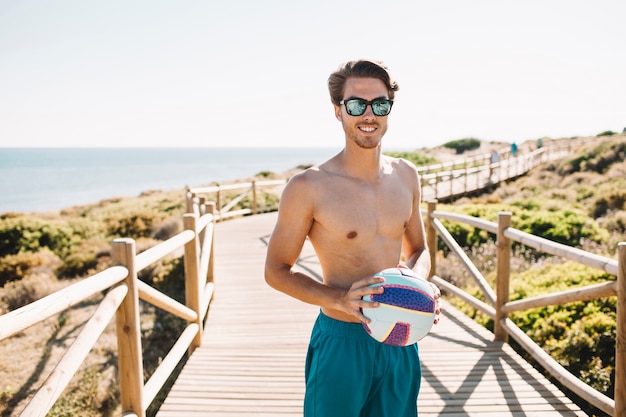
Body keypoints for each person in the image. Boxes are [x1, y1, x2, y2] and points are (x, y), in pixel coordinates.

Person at [264, 59, 440, 417]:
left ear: (390, 108)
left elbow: (419, 248)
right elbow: (276, 270)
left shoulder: (407, 175)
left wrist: (418, 287)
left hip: (400, 338)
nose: (368, 114)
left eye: (379, 103)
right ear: (338, 111)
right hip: (342, 342)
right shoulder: (307, 187)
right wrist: (341, 299)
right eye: (356, 105)